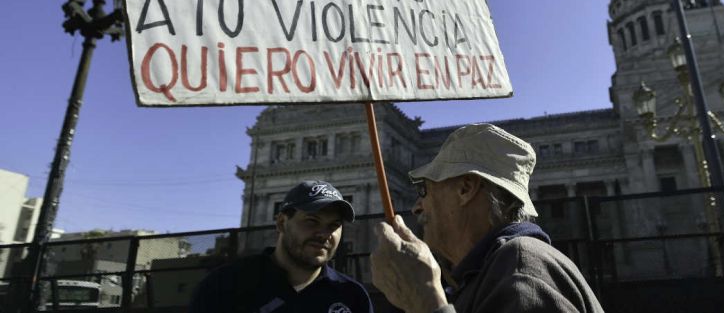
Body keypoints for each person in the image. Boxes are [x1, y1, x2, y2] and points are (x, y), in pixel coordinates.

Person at [370, 123, 604, 313]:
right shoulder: (493, 271)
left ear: (465, 188)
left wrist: (424, 302)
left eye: (424, 191)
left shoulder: (520, 269)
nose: (416, 207)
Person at [189, 180, 373, 313]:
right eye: (311, 221)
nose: (324, 234)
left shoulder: (353, 295)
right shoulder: (224, 285)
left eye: (334, 225)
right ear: (281, 223)